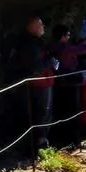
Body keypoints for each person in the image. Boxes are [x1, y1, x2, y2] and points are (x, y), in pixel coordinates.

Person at [14, 15, 55, 148]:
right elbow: (37, 65)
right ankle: (40, 145)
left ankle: (37, 143)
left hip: (38, 82)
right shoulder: (31, 44)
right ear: (33, 27)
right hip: (40, 83)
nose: (43, 27)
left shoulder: (30, 42)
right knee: (42, 113)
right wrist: (51, 61)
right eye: (40, 24)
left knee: (39, 113)